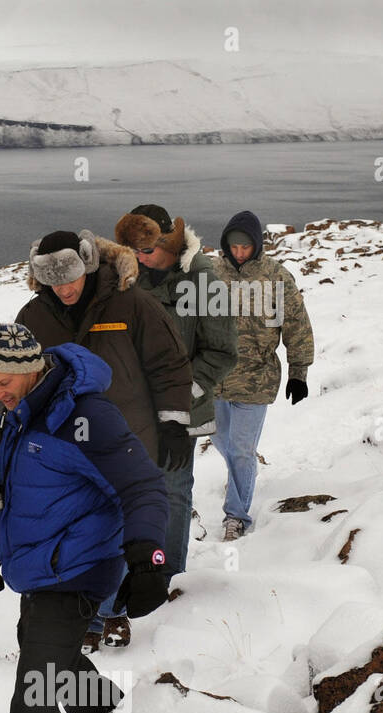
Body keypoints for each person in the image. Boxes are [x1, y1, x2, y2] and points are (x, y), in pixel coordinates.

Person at [0, 322, 169, 713]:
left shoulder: (85, 416)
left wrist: (149, 558)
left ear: (32, 369)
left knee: (32, 695)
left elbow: (143, 484)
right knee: (50, 655)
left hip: (79, 566)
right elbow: (23, 489)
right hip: (43, 565)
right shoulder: (16, 413)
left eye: (4, 384)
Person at [16, 229, 191, 650]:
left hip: (127, 434)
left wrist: (173, 423)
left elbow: (168, 363)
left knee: (117, 526)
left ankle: (109, 614)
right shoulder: (33, 316)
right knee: (80, 527)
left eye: (71, 277)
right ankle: (86, 613)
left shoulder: (131, 303)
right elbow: (22, 380)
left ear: (88, 264)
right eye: (53, 281)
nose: (65, 289)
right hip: (64, 446)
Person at [115, 204, 237, 579]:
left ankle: (165, 577)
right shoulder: (126, 279)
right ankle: (126, 576)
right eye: (134, 251)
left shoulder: (205, 283)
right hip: (130, 411)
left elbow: (221, 353)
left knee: (172, 491)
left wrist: (180, 395)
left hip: (184, 410)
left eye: (147, 251)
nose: (139, 258)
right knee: (125, 493)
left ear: (170, 242)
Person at [210, 211, 316, 541]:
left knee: (240, 450)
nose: (239, 252)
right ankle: (242, 476)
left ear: (257, 245)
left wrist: (298, 372)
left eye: (245, 246)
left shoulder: (276, 278)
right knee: (223, 443)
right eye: (233, 246)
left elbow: (297, 325)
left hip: (256, 380)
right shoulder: (210, 274)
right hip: (214, 381)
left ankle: (235, 516)